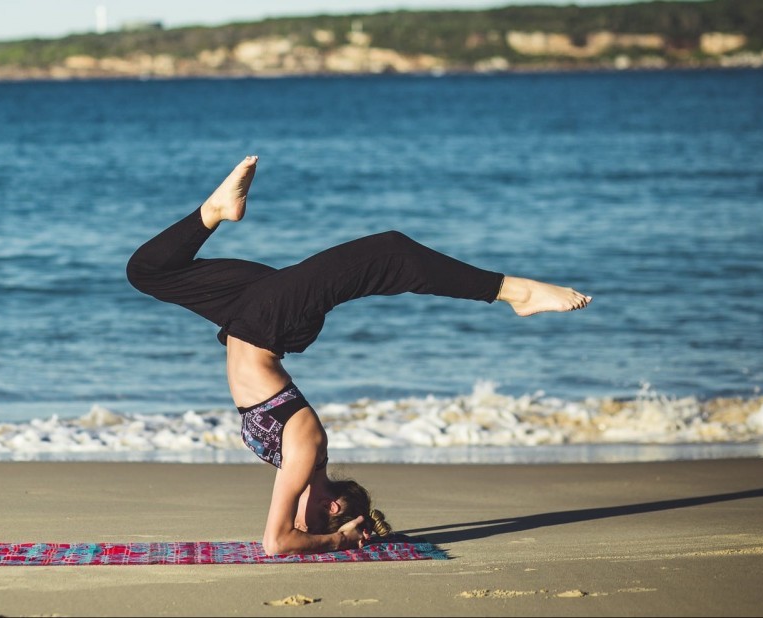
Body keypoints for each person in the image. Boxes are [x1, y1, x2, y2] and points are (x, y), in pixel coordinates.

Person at [126, 156, 591, 556]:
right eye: (309, 520)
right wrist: (339, 540)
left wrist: (346, 534)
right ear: (332, 506)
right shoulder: (306, 449)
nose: (295, 518)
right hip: (271, 322)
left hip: (246, 314)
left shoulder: (294, 464)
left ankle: (215, 211)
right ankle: (516, 292)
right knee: (391, 250)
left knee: (148, 271)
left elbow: (281, 537)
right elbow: (278, 541)